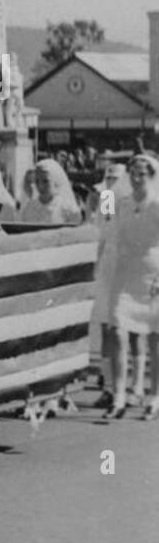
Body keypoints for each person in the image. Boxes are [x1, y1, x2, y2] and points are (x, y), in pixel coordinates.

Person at [106, 153, 159, 418]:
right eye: (133, 174)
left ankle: (154, 395)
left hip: (153, 274)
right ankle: (118, 396)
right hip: (125, 273)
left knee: (153, 337)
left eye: (143, 174)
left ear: (152, 176)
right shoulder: (122, 203)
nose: (137, 179)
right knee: (117, 330)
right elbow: (111, 232)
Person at [89, 163, 127, 408]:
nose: (111, 182)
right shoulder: (106, 200)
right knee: (105, 328)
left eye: (116, 178)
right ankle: (108, 385)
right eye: (108, 178)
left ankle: (130, 387)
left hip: (127, 269)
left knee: (125, 332)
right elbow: (100, 235)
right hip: (106, 269)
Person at [18, 159, 83, 224]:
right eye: (37, 181)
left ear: (55, 180)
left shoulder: (68, 210)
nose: (41, 186)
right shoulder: (29, 209)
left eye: (46, 181)